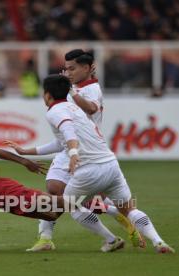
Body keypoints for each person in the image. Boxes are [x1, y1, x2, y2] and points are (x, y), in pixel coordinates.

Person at [6, 49, 144, 252]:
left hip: (83, 151)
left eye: (72, 68)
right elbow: (62, 135)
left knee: (62, 197)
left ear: (87, 68)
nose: (68, 72)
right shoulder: (72, 89)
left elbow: (90, 109)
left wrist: (71, 152)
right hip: (73, 149)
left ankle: (109, 228)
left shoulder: (90, 89)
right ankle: (49, 237)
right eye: (66, 68)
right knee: (63, 195)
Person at [40, 75, 174, 253]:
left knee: (72, 207)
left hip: (88, 169)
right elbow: (66, 136)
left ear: (47, 95)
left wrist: (73, 154)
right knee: (129, 209)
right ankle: (159, 242)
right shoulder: (76, 108)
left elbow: (68, 131)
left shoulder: (55, 111)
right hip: (111, 165)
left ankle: (110, 239)